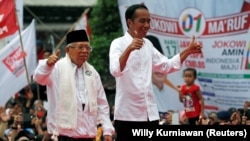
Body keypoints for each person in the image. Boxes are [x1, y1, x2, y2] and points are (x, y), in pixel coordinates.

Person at [109, 3, 202, 140]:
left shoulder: (148, 45)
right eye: (142, 21)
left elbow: (167, 66)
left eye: (148, 21)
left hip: (150, 114)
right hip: (128, 115)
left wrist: (188, 51)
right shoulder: (118, 43)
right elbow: (115, 70)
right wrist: (129, 49)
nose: (147, 25)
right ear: (129, 22)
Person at [33, 29, 114, 141]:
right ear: (68, 49)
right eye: (80, 47)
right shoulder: (56, 68)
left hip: (88, 135)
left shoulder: (92, 72)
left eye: (87, 48)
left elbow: (102, 103)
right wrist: (47, 65)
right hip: (63, 135)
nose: (85, 51)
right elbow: (38, 78)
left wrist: (107, 130)